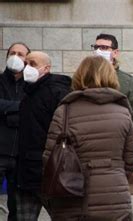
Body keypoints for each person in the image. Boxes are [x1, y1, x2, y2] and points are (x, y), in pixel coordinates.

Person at [42, 56, 133, 220]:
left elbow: (49, 159)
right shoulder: (123, 112)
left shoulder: (65, 111)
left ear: (79, 76)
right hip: (115, 198)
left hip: (73, 197)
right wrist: (114, 175)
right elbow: (131, 160)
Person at [16, 51, 71, 220]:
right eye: (25, 64)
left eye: (32, 64)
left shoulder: (57, 92)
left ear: (46, 68)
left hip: (49, 170)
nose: (27, 68)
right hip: (25, 171)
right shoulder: (27, 91)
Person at [92, 33, 133, 142]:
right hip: (90, 142)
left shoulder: (126, 81)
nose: (98, 51)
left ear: (115, 53)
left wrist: (132, 140)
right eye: (96, 47)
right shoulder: (84, 77)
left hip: (117, 143)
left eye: (104, 48)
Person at [0, 42, 30, 220]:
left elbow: (35, 110)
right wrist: (21, 108)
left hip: (21, 154)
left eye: (21, 54)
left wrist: (7, 111)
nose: (16, 57)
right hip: (0, 150)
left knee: (17, 209)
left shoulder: (32, 84)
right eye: (12, 53)